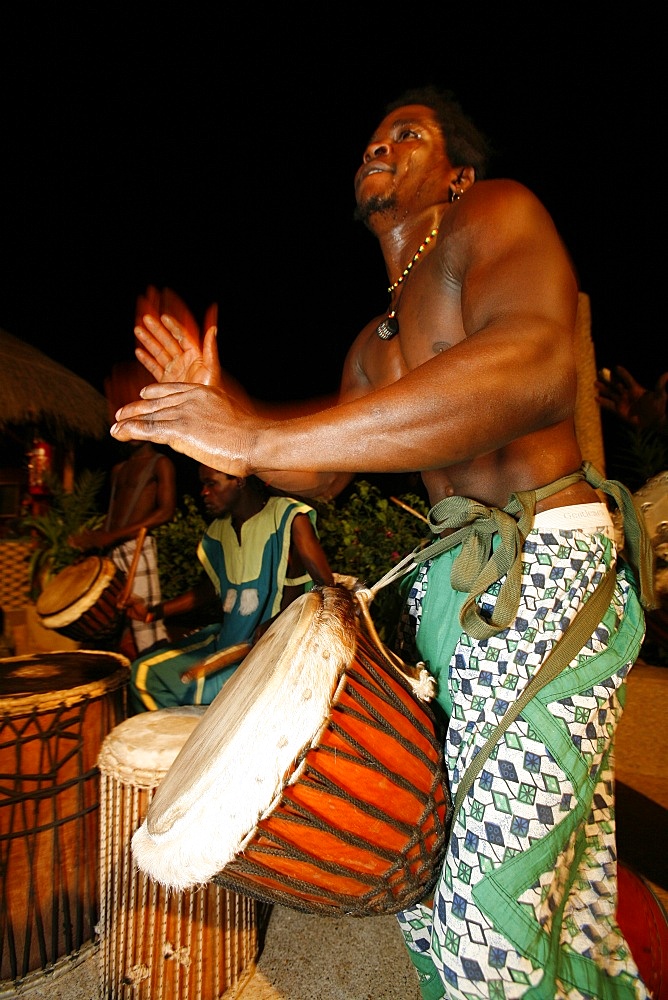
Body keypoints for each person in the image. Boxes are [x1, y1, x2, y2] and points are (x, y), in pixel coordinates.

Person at [110, 86, 657, 999]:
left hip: (542, 570)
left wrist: (252, 440)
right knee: (522, 885)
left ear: (458, 172)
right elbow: (323, 475)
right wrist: (231, 409)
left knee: (486, 924)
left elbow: (535, 367)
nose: (382, 145)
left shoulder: (495, 213)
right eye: (373, 136)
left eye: (409, 134)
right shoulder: (374, 342)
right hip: (453, 598)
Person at [126, 465, 334, 712]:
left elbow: (326, 586)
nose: (204, 492)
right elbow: (212, 589)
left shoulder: (288, 516)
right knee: (145, 672)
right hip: (228, 643)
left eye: (211, 483)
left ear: (238, 480)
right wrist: (153, 612)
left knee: (148, 679)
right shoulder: (218, 532)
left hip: (266, 654)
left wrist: (278, 622)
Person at [70, 439, 176, 654]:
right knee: (112, 619)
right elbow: (114, 513)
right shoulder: (119, 469)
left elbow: (165, 511)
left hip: (138, 546)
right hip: (112, 548)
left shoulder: (161, 463)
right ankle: (124, 675)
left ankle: (155, 675)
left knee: (145, 621)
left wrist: (110, 537)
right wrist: (95, 544)